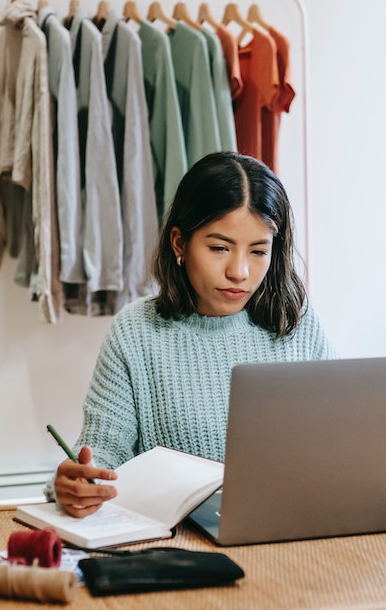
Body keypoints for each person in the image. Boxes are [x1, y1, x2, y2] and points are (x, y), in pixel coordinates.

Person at [51, 151, 335, 517]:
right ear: (179, 244)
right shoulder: (135, 332)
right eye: (219, 248)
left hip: (294, 526)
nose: (240, 272)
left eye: (259, 251)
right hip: (181, 543)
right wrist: (79, 485)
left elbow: (338, 441)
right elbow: (102, 455)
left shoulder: (295, 319)